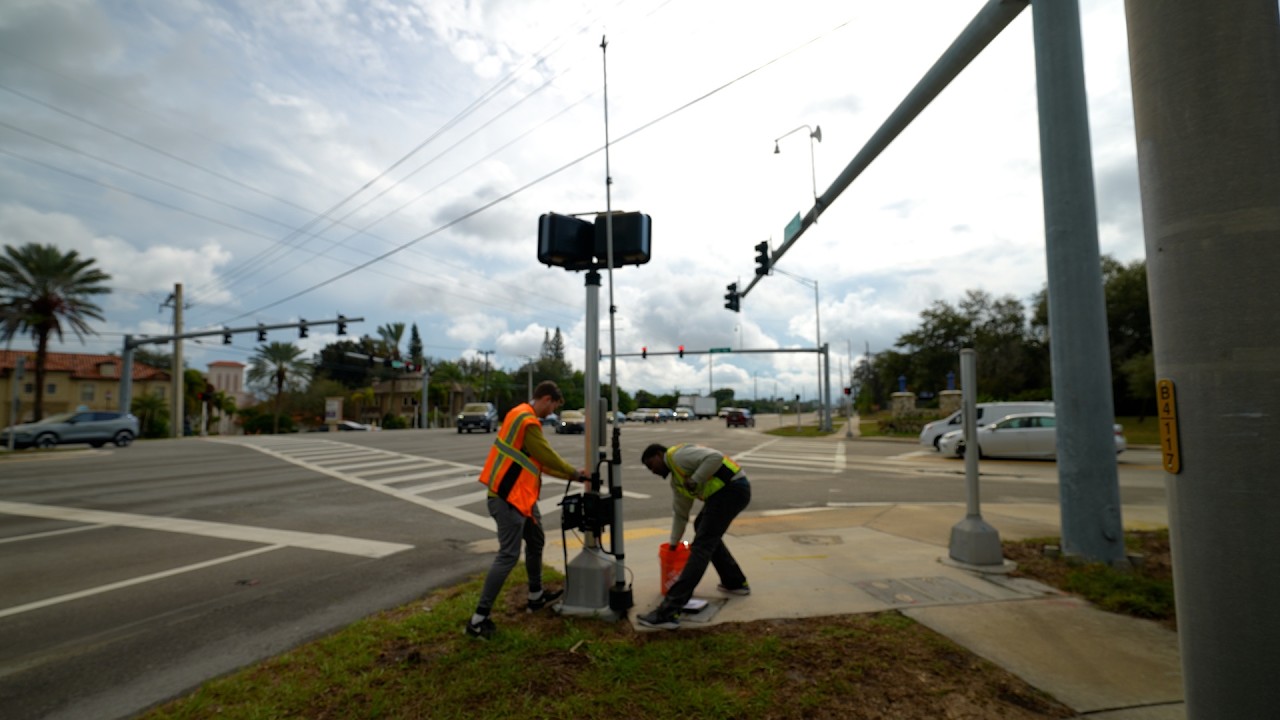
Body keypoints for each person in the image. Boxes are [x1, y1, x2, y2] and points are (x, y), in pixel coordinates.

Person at [466, 381, 587, 640]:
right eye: (553, 406)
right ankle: (479, 619)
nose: (552, 412)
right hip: (507, 497)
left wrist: (574, 477)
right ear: (545, 399)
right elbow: (546, 455)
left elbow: (536, 463)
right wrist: (573, 471)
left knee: (536, 540)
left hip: (521, 498)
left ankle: (535, 596)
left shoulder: (517, 413)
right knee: (508, 555)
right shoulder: (528, 421)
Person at [636, 442, 751, 630]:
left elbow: (715, 457)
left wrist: (696, 478)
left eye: (651, 465)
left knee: (701, 546)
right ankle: (735, 581)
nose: (653, 471)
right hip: (725, 493)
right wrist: (673, 544)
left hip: (733, 488)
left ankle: (669, 611)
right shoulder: (677, 481)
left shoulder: (678, 455)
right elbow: (681, 515)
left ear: (659, 454)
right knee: (702, 529)